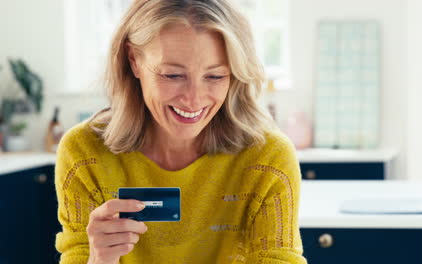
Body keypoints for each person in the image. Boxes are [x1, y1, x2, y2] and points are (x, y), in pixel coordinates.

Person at [54, 0, 306, 263]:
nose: (194, 100)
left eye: (215, 76)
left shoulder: (268, 158)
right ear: (134, 61)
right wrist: (98, 259)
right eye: (173, 75)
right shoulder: (85, 153)